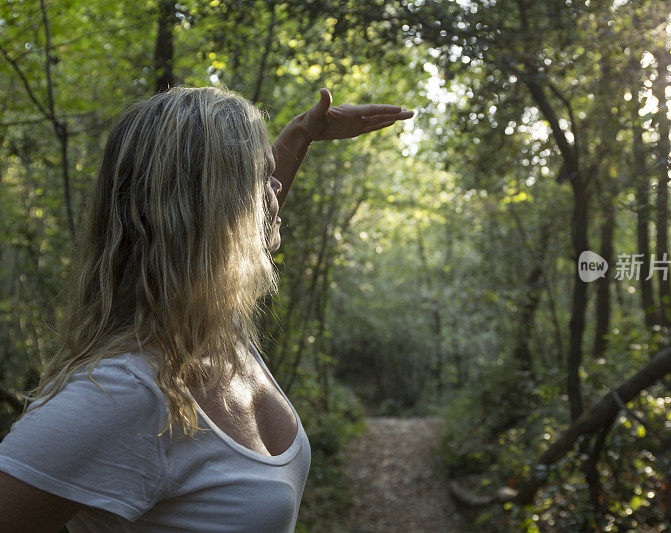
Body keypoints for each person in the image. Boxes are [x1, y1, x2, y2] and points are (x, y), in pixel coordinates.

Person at [0, 86, 414, 532]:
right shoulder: (122, 393)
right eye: (261, 177)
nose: (275, 189)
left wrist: (301, 133)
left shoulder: (216, 330)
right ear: (217, 207)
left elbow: (249, 233)